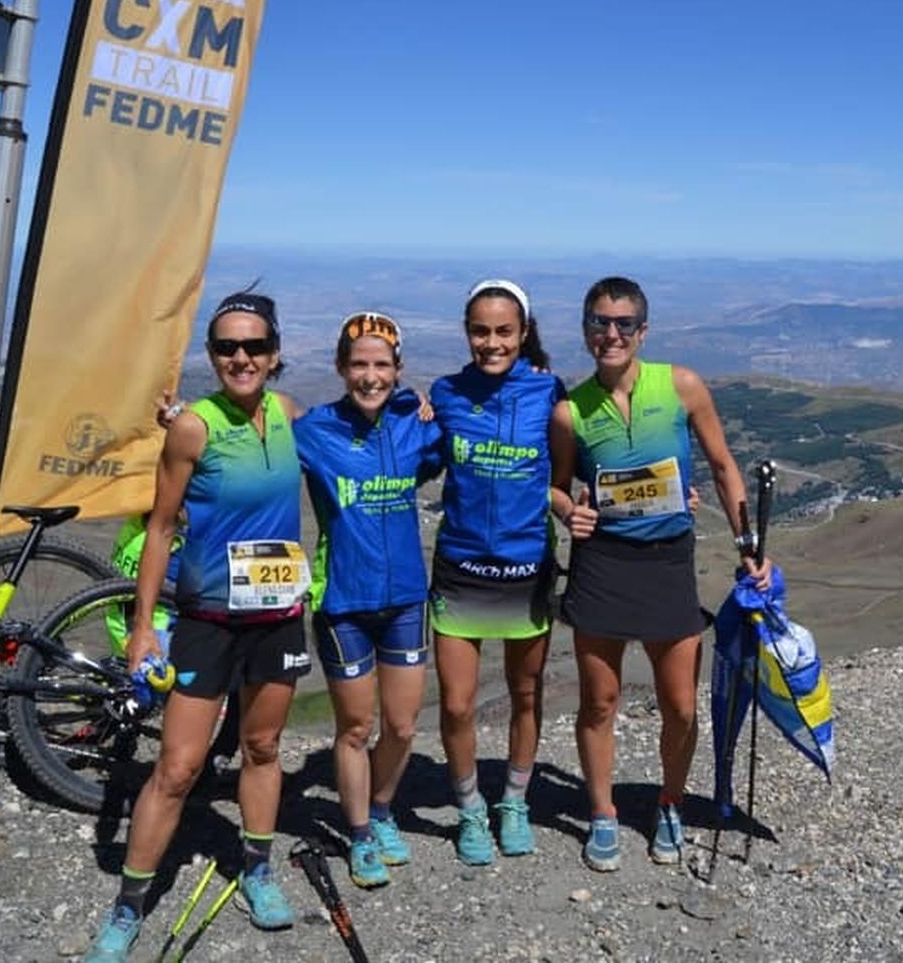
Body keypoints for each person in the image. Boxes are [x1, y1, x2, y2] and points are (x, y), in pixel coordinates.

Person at [85, 292, 311, 963]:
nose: (240, 357)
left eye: (253, 346)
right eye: (225, 347)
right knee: (178, 766)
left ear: (273, 354)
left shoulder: (289, 412)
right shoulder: (193, 428)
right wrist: (140, 630)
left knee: (264, 745)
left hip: (278, 616)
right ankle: (128, 904)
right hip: (208, 618)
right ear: (212, 356)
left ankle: (258, 867)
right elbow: (159, 529)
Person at [551, 275, 773, 872]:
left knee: (680, 706)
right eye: (600, 323)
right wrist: (570, 510)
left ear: (643, 331)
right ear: (585, 331)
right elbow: (557, 483)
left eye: (624, 323)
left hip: (668, 560)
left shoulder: (681, 386)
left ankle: (669, 802)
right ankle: (602, 814)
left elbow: (725, 468)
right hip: (603, 565)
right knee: (600, 701)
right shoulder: (571, 411)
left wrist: (748, 543)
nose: (612, 334)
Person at [293, 312, 445, 888]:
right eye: (360, 364)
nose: (371, 376)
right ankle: (358, 835)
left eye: (382, 365)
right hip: (343, 604)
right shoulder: (315, 430)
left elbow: (458, 448)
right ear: (341, 368)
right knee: (355, 727)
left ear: (398, 371)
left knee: (402, 727)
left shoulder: (414, 426)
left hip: (407, 597)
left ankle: (381, 810)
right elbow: (264, 422)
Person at [426, 279, 569, 865]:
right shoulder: (446, 392)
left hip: (526, 563)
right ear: (467, 333)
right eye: (481, 331)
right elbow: (415, 453)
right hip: (461, 564)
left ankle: (514, 801)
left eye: (503, 331)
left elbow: (569, 475)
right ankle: (468, 810)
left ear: (524, 333)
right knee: (457, 704)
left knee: (525, 693)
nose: (491, 342)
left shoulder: (549, 393)